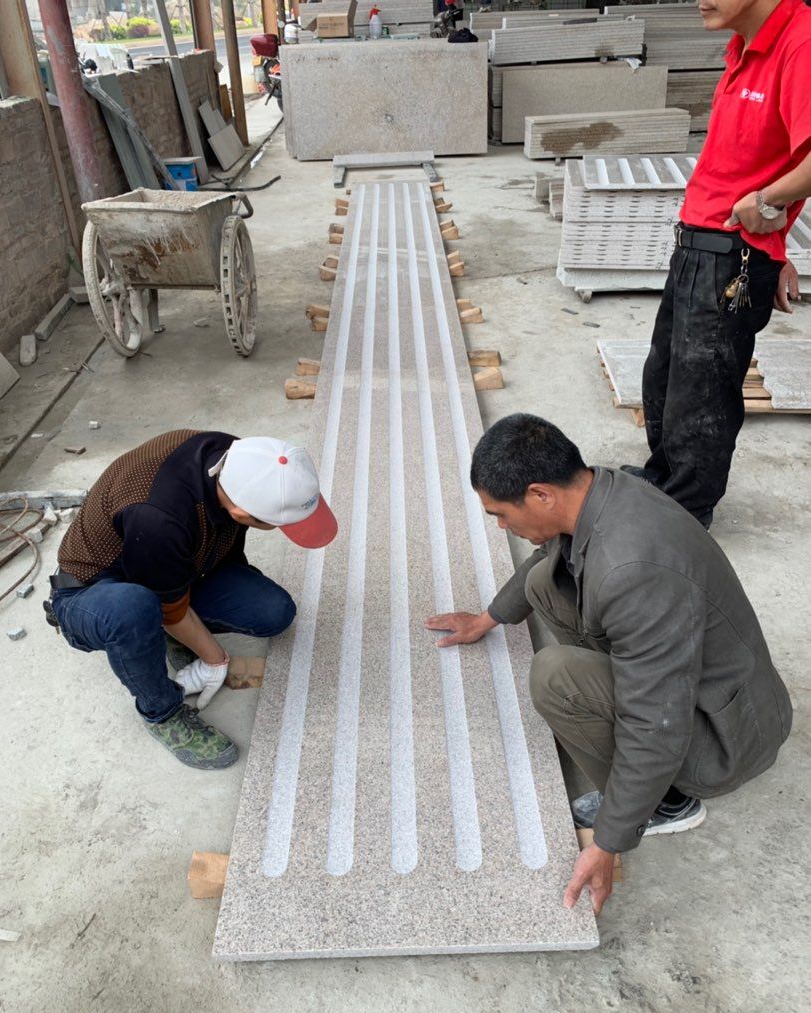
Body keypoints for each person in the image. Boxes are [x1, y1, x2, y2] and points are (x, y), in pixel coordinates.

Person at [426, 414, 792, 914]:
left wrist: (608, 840)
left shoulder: (634, 570)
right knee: (544, 582)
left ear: (540, 494)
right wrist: (487, 620)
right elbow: (544, 556)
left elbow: (656, 721)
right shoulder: (599, 491)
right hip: (707, 687)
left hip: (725, 739)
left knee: (555, 677)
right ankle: (639, 767)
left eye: (501, 514)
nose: (501, 527)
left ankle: (667, 804)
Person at [48, 431, 337, 770]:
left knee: (274, 611)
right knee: (134, 610)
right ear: (242, 513)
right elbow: (168, 607)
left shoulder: (239, 461)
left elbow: (222, 547)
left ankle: (168, 624)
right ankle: (161, 713)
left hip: (163, 565)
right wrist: (215, 660)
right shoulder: (159, 516)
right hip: (92, 590)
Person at [630, 0, 811, 527]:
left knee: (700, 397)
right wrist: (780, 251)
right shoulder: (742, 46)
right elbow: (760, 157)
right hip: (700, 245)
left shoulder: (799, 43)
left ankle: (685, 516)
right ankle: (664, 483)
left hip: (729, 255)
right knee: (664, 380)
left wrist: (768, 207)